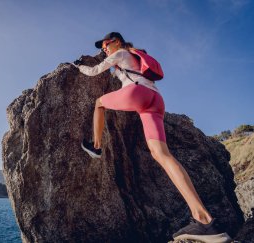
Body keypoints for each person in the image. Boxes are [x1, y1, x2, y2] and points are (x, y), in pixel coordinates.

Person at [73, 32, 232, 243]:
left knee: (99, 103)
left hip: (136, 95)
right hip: (155, 100)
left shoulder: (120, 53)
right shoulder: (134, 55)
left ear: (117, 41)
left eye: (106, 45)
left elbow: (93, 71)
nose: (104, 50)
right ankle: (204, 220)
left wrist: (79, 67)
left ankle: (97, 146)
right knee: (162, 155)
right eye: (102, 48)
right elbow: (122, 73)